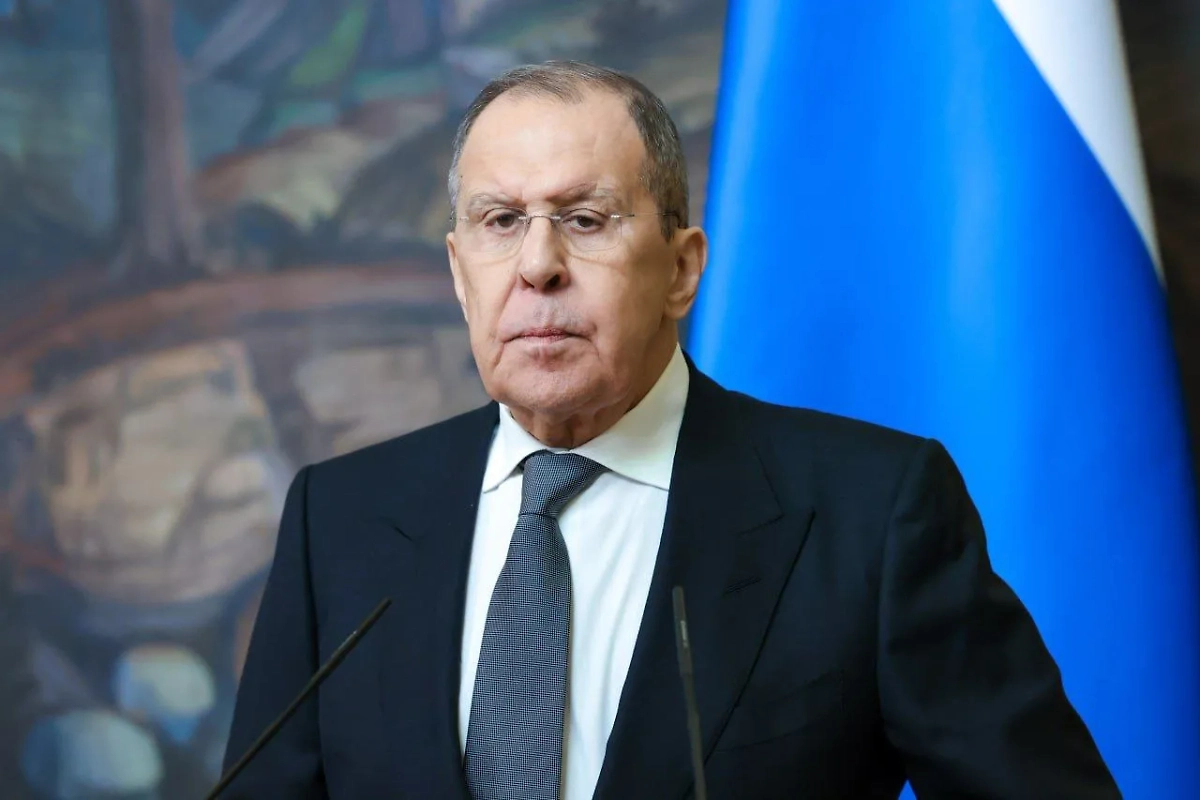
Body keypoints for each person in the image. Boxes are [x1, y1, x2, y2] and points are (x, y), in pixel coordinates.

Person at [223, 61, 1120, 799]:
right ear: (461, 275)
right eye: (501, 222)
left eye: (585, 220)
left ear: (682, 270)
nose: (538, 266)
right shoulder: (341, 520)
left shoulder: (869, 512)